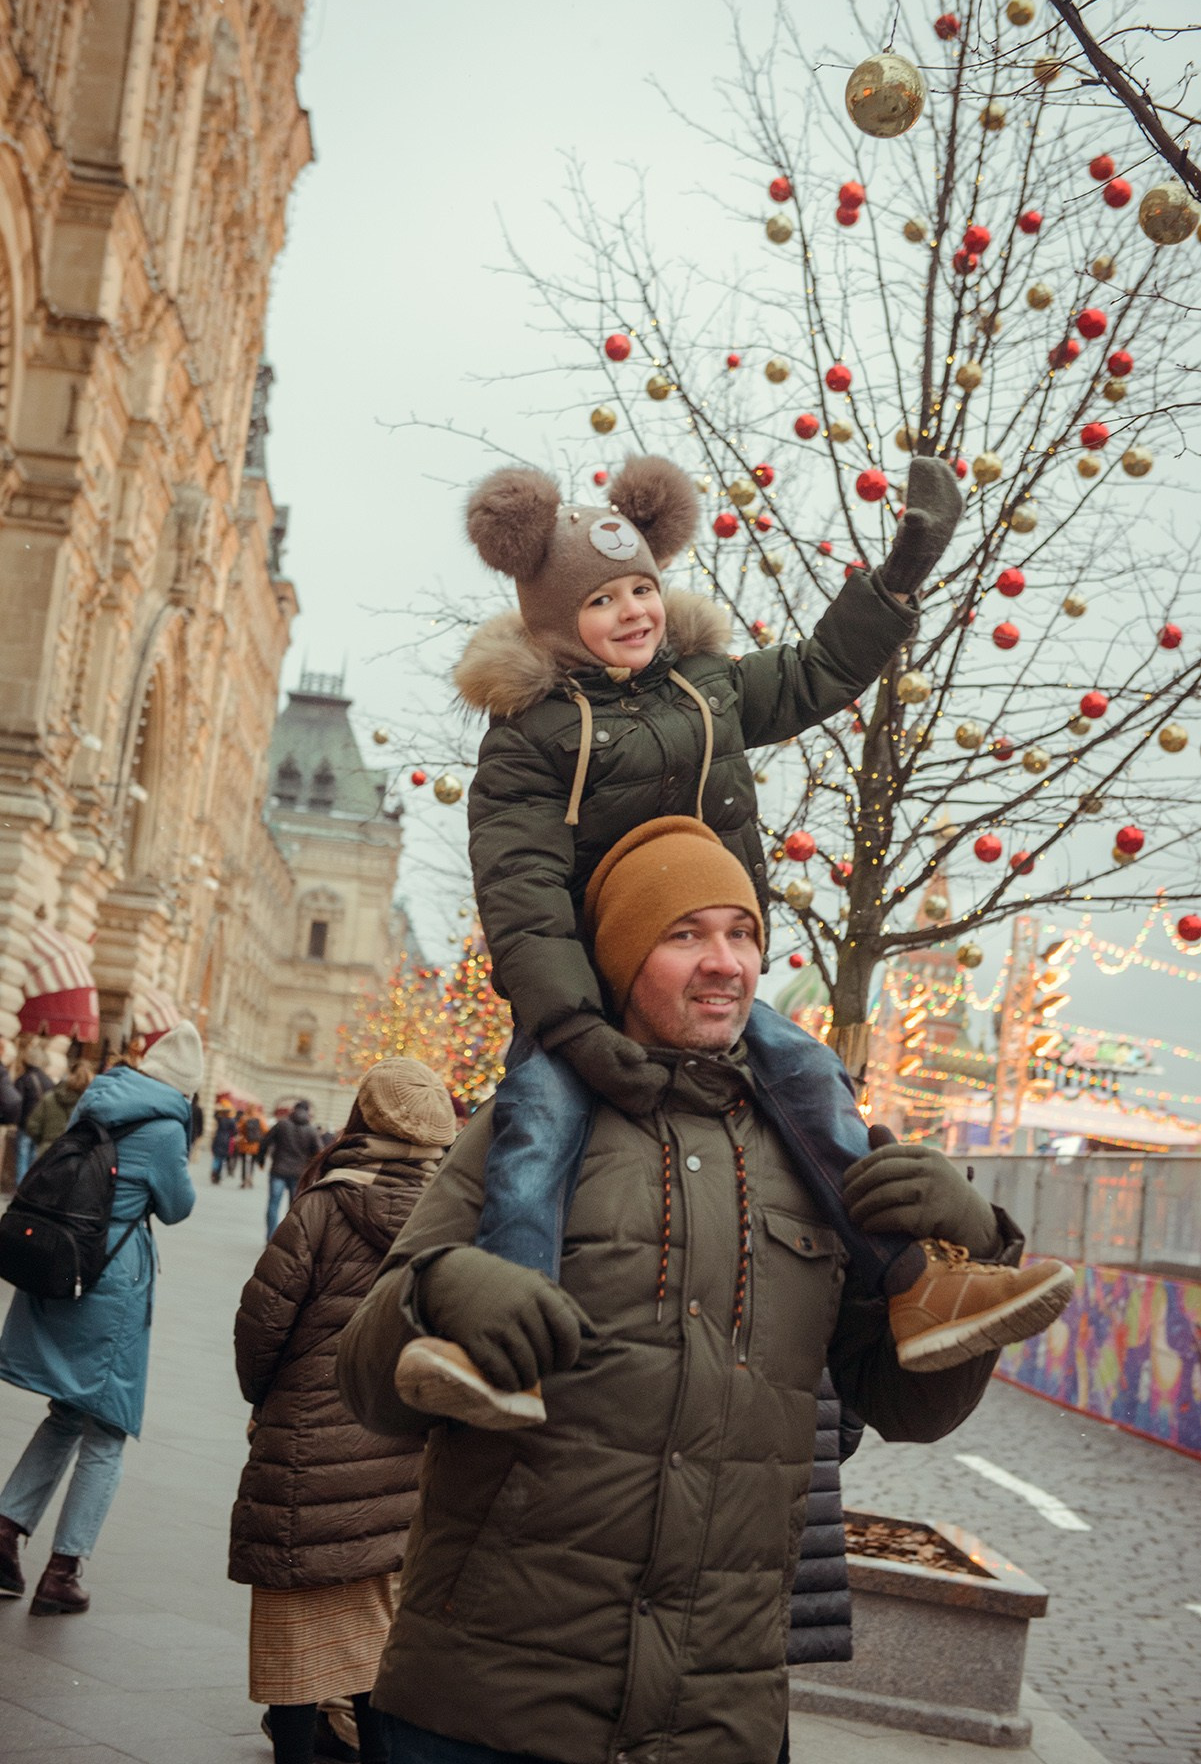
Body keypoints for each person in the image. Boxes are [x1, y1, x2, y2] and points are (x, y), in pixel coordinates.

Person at [338, 824, 1042, 1763]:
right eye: (684, 936)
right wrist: (437, 1292)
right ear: (626, 958)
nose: (725, 964)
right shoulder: (522, 1134)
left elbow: (909, 1405)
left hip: (716, 1716)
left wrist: (966, 1242)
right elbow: (365, 1382)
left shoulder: (823, 1162)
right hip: (488, 1701)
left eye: (742, 934)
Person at [395, 451, 1068, 1422]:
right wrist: (574, 1027)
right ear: (549, 618)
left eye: (641, 588)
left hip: (705, 966)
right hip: (586, 987)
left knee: (811, 1080)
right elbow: (524, 894)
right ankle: (502, 1343)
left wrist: (894, 579)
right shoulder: (532, 731)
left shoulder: (702, 686)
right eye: (601, 601)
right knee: (537, 1125)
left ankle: (917, 1284)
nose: (632, 611)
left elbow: (816, 672)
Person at [230, 1058, 456, 1764]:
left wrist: (266, 1398)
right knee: (375, 1634)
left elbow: (260, 1326)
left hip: (305, 1444)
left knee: (294, 1635)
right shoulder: (458, 1218)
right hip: (400, 1445)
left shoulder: (324, 1206)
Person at [0, 1022, 201, 1614]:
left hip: (62, 1262)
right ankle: (63, 1571)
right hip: (107, 1285)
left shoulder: (98, 1097)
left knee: (66, 1413)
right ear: (185, 1087)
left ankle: (5, 1534)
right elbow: (179, 1206)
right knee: (108, 1428)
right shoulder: (165, 1125)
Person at [260, 1100, 321, 1239]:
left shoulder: (281, 1124)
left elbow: (265, 1141)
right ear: (308, 1112)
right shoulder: (311, 1130)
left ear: (294, 1109)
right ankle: (285, 1238)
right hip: (299, 1174)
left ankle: (270, 1237)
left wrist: (261, 1159)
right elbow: (318, 1153)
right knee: (294, 1208)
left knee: (273, 1204)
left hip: (278, 1170)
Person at [25, 1060, 95, 1161]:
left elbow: (33, 1126)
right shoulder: (90, 1104)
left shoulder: (50, 1098)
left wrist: (45, 1141)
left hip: (46, 1152)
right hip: (74, 1158)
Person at [13, 1034, 53, 1186]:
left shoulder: (24, 1079)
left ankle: (20, 1189)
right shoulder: (48, 1081)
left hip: (25, 1124)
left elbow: (17, 1101)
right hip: (41, 1127)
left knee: (22, 1158)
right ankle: (29, 1188)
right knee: (33, 1160)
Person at [235, 1104, 266, 1189]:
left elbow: (239, 1128)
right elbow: (265, 1130)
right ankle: (250, 1178)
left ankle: (244, 1180)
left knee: (244, 1163)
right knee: (252, 1162)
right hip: (255, 1144)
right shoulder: (260, 1117)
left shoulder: (244, 1117)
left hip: (245, 1143)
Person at [211, 1095, 238, 1185]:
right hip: (226, 1140)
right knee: (222, 1158)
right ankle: (217, 1175)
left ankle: (214, 1171)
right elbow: (235, 1132)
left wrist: (219, 1109)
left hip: (218, 1138)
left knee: (216, 1157)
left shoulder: (220, 1118)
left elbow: (214, 1114)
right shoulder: (231, 1121)